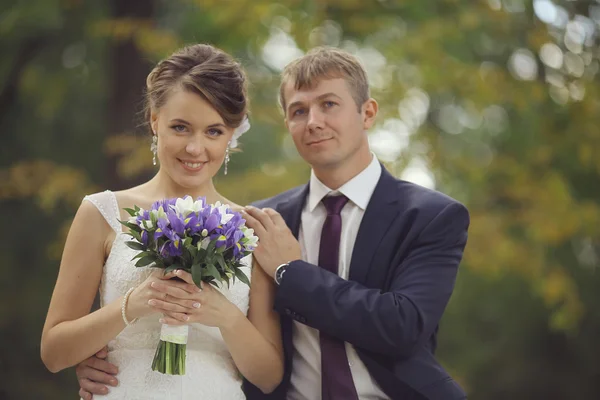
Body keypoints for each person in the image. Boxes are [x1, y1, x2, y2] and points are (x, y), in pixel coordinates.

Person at [41, 44, 283, 399]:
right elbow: (53, 352)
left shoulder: (250, 229)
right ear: (155, 120)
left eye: (214, 132)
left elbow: (269, 377)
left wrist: (225, 316)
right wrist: (132, 305)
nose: (195, 149)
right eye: (181, 127)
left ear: (232, 134)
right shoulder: (102, 212)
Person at [240, 47, 470, 399]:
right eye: (298, 110)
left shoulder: (431, 216)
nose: (313, 121)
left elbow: (401, 325)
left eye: (329, 104)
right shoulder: (263, 222)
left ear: (368, 113)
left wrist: (290, 270)